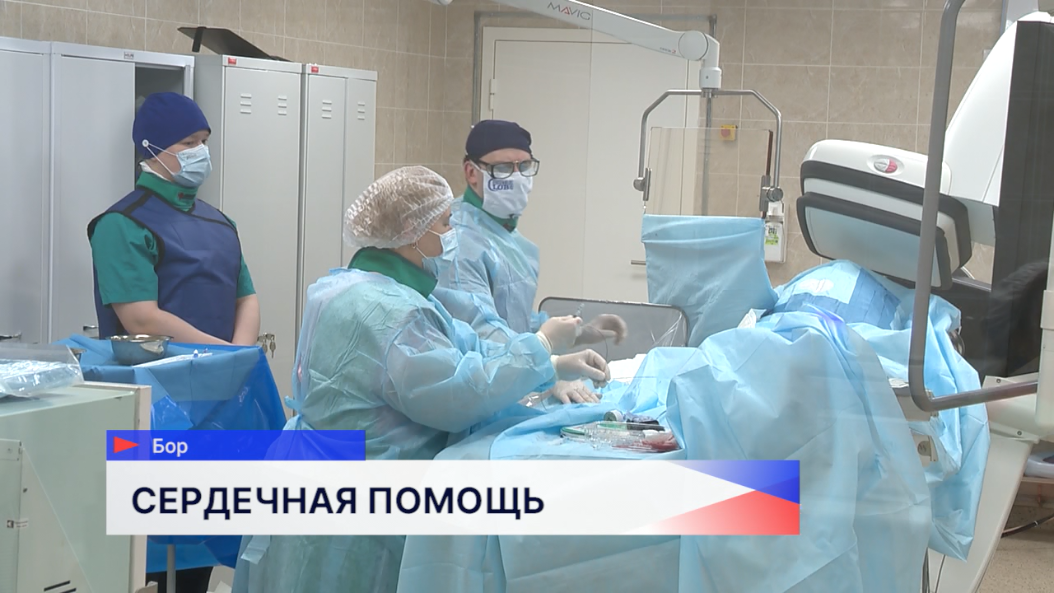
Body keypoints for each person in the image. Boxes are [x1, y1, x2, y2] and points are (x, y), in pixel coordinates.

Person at [232, 166, 609, 593]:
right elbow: (459, 394)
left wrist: (551, 364)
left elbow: (464, 348)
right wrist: (540, 344)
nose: (452, 235)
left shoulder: (345, 286)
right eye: (446, 223)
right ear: (412, 229)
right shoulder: (391, 311)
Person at [434, 119, 627, 405]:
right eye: (503, 168)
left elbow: (516, 320)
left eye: (524, 166)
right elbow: (481, 335)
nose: (517, 176)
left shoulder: (507, 237)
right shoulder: (458, 240)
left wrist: (578, 331)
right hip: (478, 394)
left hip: (510, 381)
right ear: (472, 173)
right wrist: (550, 369)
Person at [88, 92, 260, 346]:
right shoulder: (122, 225)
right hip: (154, 370)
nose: (200, 151)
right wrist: (223, 355)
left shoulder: (222, 224)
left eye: (204, 141)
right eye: (189, 143)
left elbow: (246, 299)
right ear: (152, 149)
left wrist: (240, 354)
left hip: (225, 366)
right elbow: (141, 320)